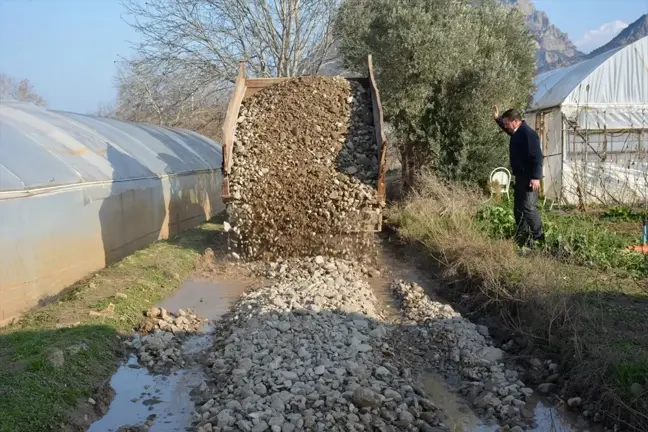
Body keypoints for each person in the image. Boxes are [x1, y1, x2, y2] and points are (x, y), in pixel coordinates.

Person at [493, 106, 544, 246]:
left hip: (530, 178)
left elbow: (538, 157)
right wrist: (497, 119)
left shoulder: (528, 134)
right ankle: (522, 235)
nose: (505, 126)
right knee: (518, 208)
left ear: (515, 121)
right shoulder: (517, 132)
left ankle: (538, 238)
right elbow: (507, 129)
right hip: (521, 177)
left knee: (529, 207)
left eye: (507, 123)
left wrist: (536, 177)